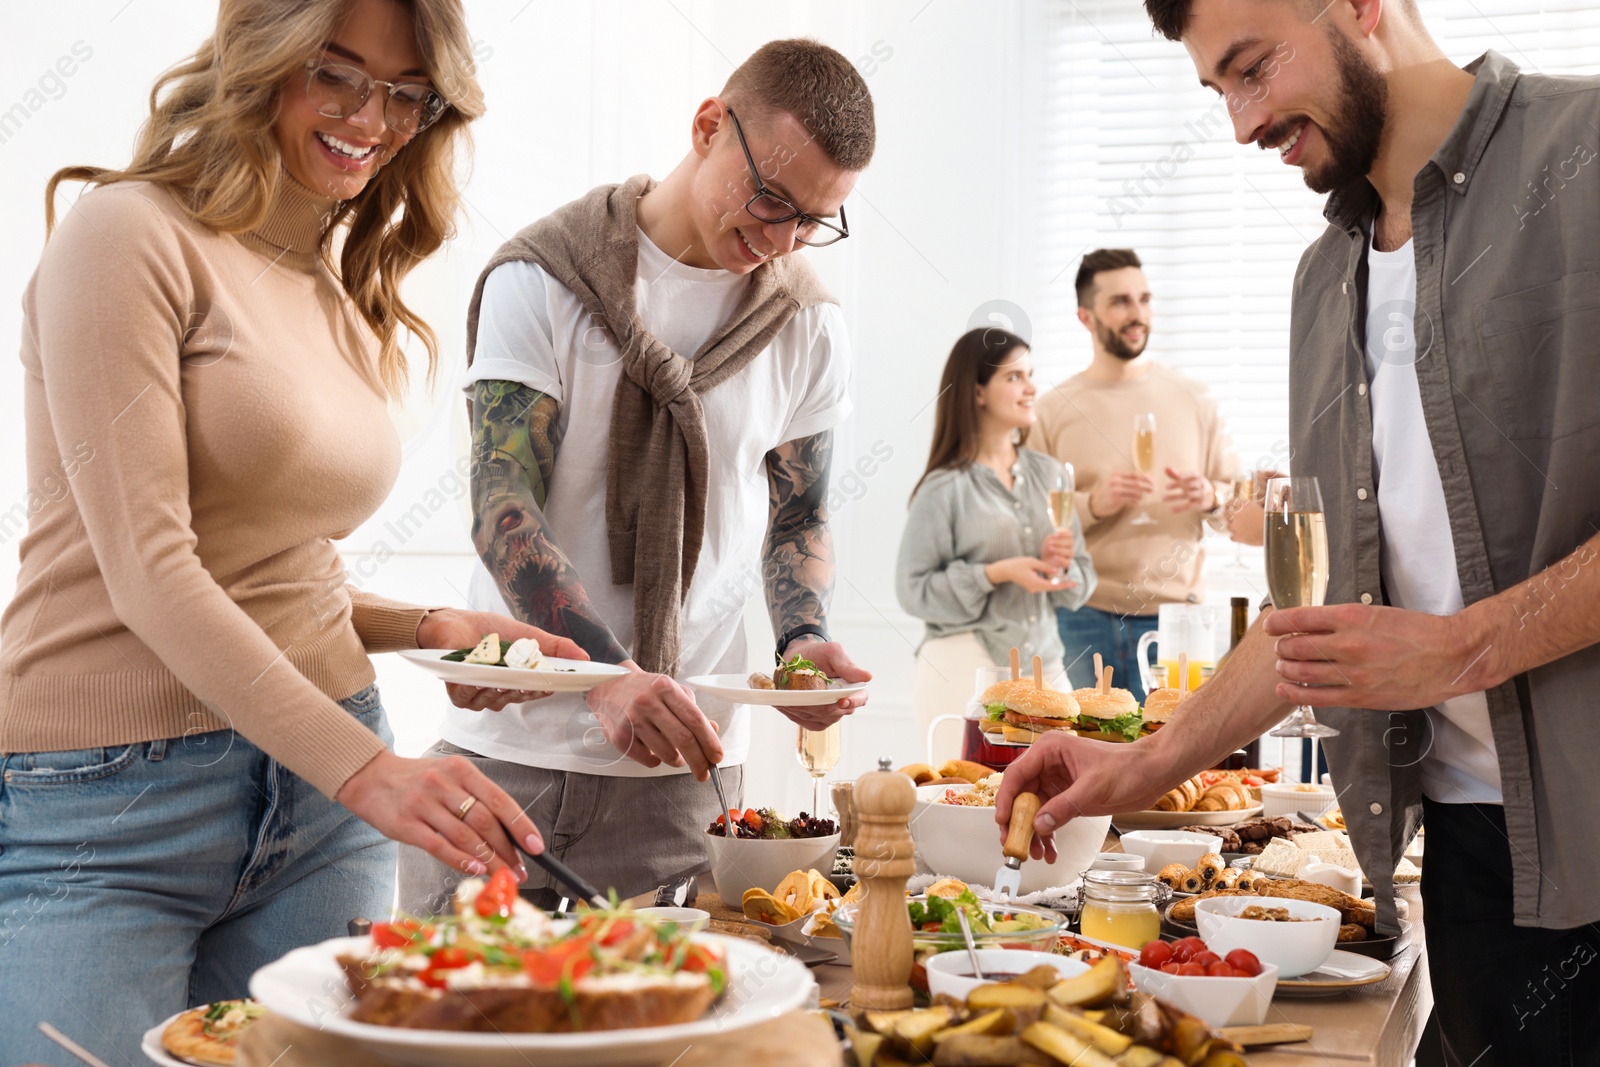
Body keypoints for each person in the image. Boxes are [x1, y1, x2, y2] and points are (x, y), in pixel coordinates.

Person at [1001, 1, 1600, 1062]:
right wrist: (1135, 766)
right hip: (1466, 853)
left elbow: (1440, 638)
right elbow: (1310, 615)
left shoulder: (1585, 153)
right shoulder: (1324, 282)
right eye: (1216, 90)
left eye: (1252, 67)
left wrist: (1465, 645)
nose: (1240, 124)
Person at [0, 1, 591, 1060]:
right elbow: (147, 566)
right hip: (106, 807)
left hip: (322, 801)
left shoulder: (328, 272)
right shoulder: (127, 234)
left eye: (406, 93)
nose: (373, 118)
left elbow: (273, 565)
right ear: (261, 58)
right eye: (337, 73)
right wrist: (368, 767)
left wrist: (430, 624)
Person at [398, 39, 875, 913]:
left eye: (812, 220)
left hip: (684, 775)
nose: (781, 239)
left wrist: (801, 645)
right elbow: (502, 504)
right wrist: (605, 675)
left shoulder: (808, 323)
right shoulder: (541, 278)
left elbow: (797, 516)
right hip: (510, 754)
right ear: (707, 127)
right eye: (770, 199)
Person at [1031, 249, 1240, 702]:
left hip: (1178, 619)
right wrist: (1091, 505)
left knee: (1178, 755)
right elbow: (1028, 523)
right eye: (1121, 302)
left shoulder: (1194, 399)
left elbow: (1237, 507)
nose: (1138, 314)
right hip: (1083, 614)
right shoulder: (1051, 411)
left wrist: (1210, 497)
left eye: (1144, 299)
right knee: (1097, 751)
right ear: (1086, 317)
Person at [896, 328, 1095, 764]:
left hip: (1045, 666)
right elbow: (913, 590)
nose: (1031, 388)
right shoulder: (944, 487)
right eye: (1014, 377)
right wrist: (997, 572)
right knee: (965, 802)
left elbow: (1082, 576)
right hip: (961, 666)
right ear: (978, 392)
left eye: (1031, 374)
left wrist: (1063, 571)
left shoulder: (1051, 476)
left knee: (1055, 801)